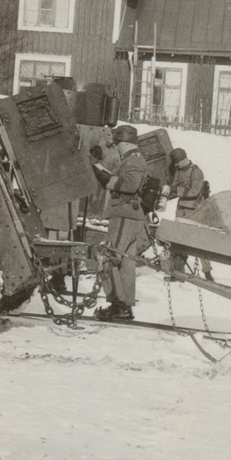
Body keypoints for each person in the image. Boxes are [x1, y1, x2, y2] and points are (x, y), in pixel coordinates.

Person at [92, 124, 150, 321]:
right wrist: (100, 169)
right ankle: (124, 307)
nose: (116, 147)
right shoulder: (131, 160)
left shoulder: (134, 161)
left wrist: (105, 177)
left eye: (118, 144)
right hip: (129, 215)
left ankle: (118, 305)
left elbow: (129, 185)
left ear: (126, 143)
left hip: (124, 215)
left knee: (107, 256)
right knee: (125, 262)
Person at [167, 147, 214, 281]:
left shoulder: (196, 172)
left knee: (199, 241)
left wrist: (176, 190)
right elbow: (175, 186)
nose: (177, 165)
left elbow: (194, 192)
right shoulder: (179, 171)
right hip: (181, 209)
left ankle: (207, 273)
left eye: (178, 162)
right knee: (178, 240)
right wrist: (168, 190)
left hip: (194, 211)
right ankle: (176, 272)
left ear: (183, 159)